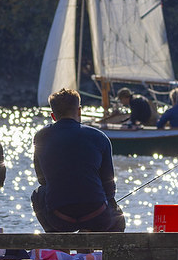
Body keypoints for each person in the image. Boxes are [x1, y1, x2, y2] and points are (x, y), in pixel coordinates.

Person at [31, 88, 125, 233]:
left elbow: (42, 179)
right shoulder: (100, 137)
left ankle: (58, 241)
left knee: (38, 194)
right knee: (118, 217)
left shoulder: (40, 137)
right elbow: (109, 187)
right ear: (79, 111)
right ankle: (96, 242)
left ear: (53, 116)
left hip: (59, 218)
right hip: (97, 217)